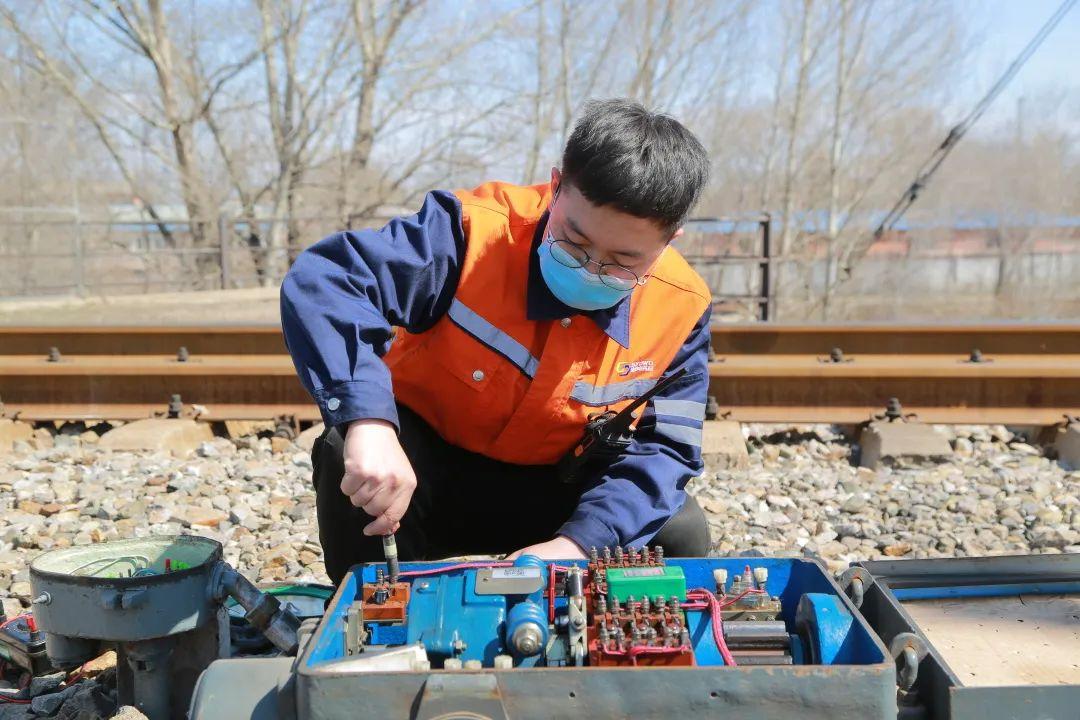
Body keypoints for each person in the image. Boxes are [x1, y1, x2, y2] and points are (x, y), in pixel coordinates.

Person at [281, 98, 714, 584]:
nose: (590, 267)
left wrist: (578, 544)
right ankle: (378, 630)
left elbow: (666, 450)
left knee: (679, 527)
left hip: (559, 505)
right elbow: (329, 280)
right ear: (555, 187)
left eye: (621, 261)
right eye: (573, 240)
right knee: (346, 448)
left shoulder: (683, 306)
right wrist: (368, 423)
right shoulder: (469, 233)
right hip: (419, 485)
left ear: (669, 241)